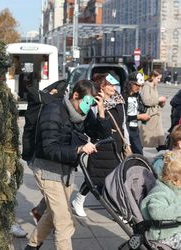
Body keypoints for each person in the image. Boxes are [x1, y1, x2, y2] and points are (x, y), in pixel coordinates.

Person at [25, 80, 111, 250]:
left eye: (92, 103)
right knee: (64, 222)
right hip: (47, 169)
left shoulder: (83, 114)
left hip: (66, 170)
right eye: (87, 102)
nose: (88, 107)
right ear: (75, 95)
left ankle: (32, 246)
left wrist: (101, 111)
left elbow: (100, 134)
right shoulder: (54, 111)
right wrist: (79, 149)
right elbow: (49, 148)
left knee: (52, 214)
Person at [72, 73, 130, 217]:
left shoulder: (119, 101)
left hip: (116, 142)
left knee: (116, 177)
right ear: (101, 87)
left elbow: (123, 124)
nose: (113, 87)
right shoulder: (93, 102)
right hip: (100, 144)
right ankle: (78, 200)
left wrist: (126, 142)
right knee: (94, 176)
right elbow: (89, 125)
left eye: (114, 84)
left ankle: (118, 209)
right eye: (109, 85)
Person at [140, 151, 181, 250]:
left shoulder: (175, 189)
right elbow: (156, 212)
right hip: (163, 235)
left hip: (175, 230)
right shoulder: (161, 191)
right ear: (176, 181)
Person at [123, 71, 150, 154]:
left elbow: (140, 109)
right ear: (130, 83)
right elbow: (123, 117)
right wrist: (139, 117)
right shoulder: (123, 96)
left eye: (141, 86)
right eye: (137, 85)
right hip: (126, 131)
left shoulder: (137, 95)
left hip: (135, 130)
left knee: (139, 155)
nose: (139, 88)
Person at [139, 69, 167, 151]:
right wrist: (158, 99)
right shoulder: (146, 86)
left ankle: (163, 160)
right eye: (158, 78)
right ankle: (137, 158)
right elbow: (146, 101)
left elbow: (153, 100)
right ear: (153, 77)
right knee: (143, 141)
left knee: (161, 142)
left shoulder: (154, 86)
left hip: (155, 117)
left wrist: (162, 102)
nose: (159, 80)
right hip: (149, 118)